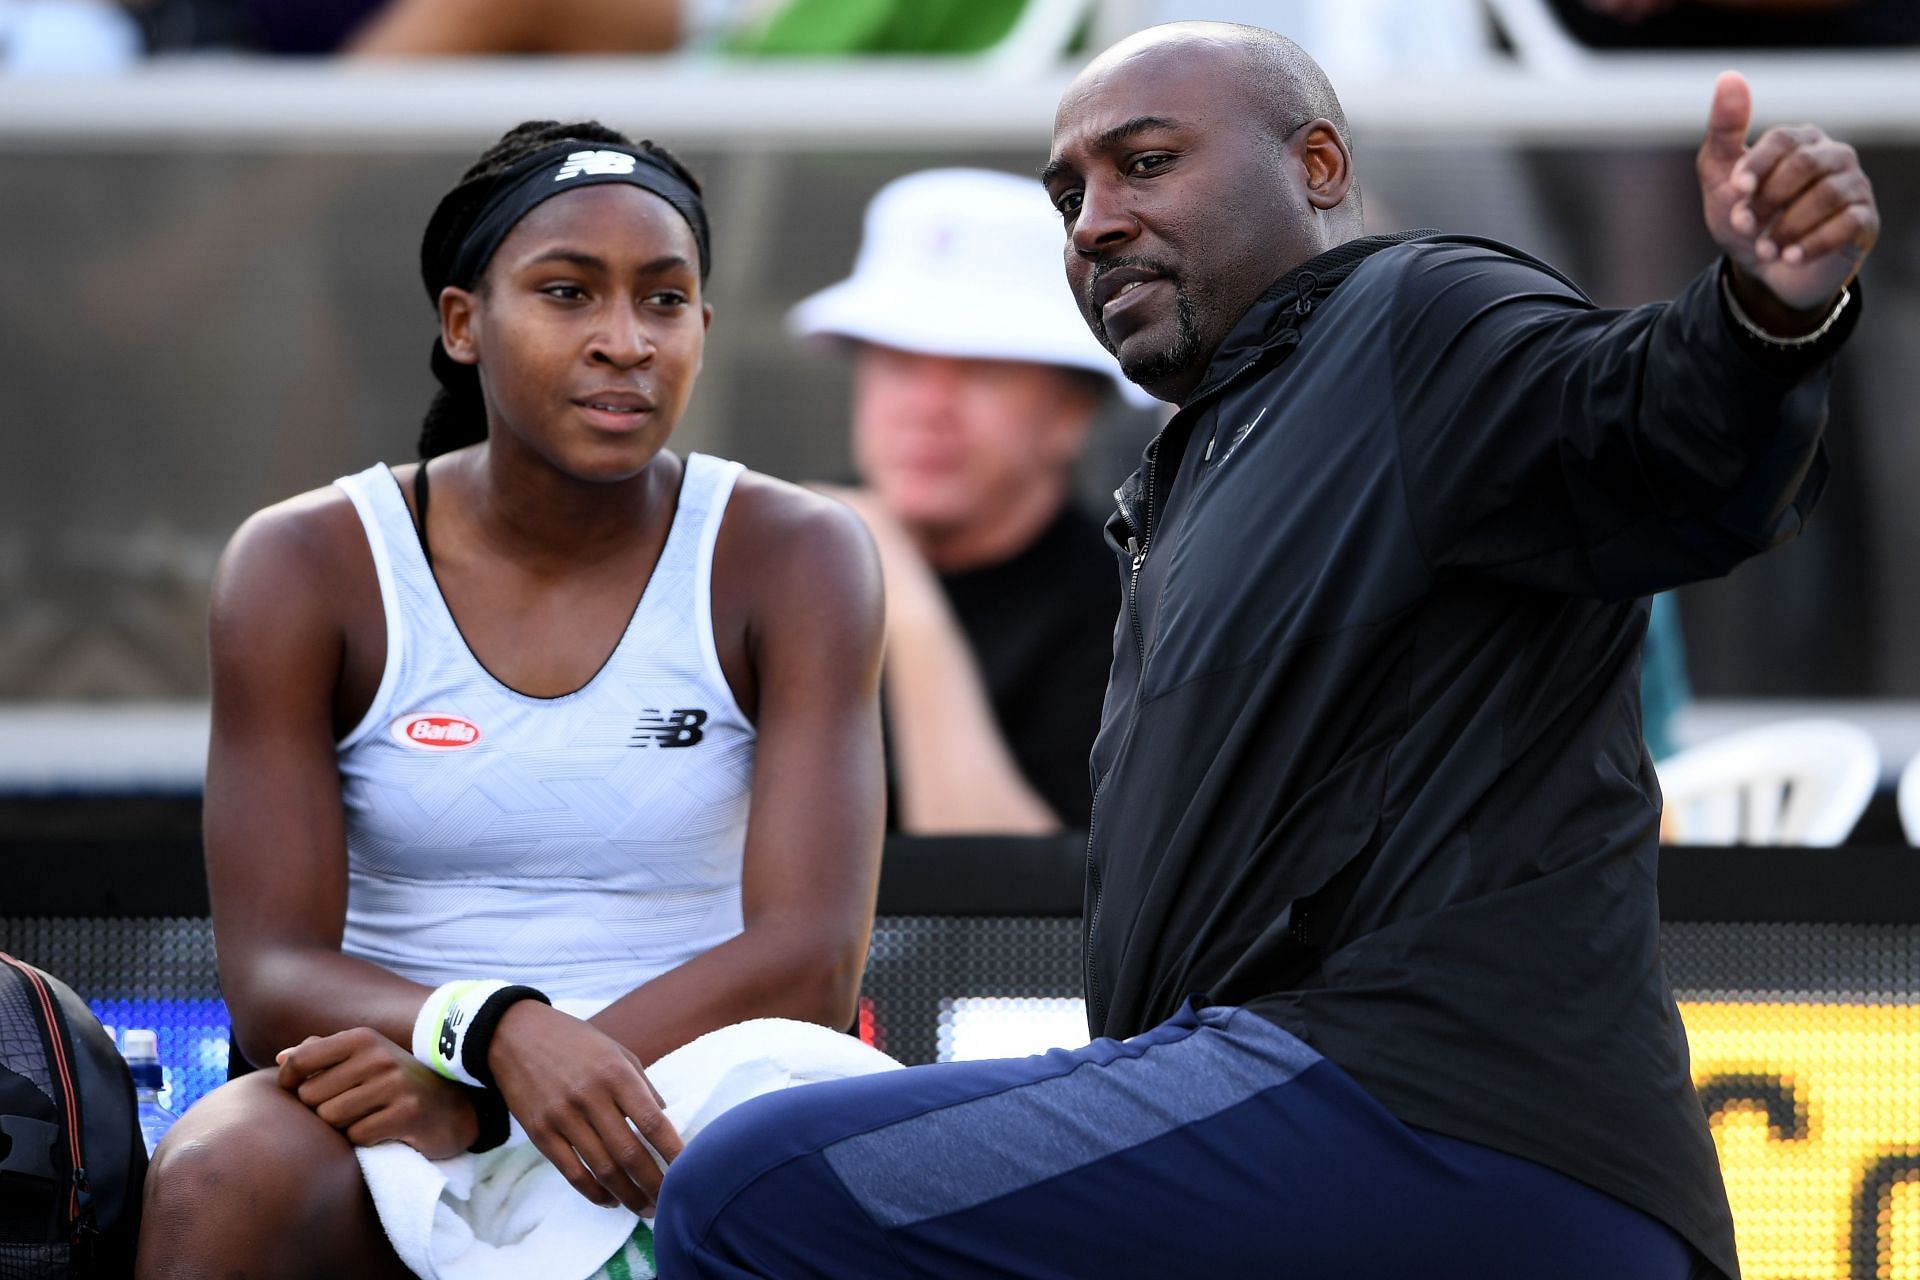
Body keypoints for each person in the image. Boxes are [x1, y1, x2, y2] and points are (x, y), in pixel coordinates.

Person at [652, 20, 1877, 1279]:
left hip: (1436, 1120)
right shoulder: (1196, 469)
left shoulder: (1417, 316)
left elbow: (1664, 429)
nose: (1092, 220)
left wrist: (1762, 316)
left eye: (1145, 163)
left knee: (752, 1182)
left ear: (1321, 167)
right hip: (1360, 1145)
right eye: (1069, 193)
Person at [136, 120, 885, 1279]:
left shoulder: (797, 552)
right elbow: (271, 968)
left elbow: (812, 957)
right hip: (394, 1078)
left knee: (826, 1155)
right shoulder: (304, 561)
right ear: (461, 322)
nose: (624, 341)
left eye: (665, 299)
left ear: (703, 327)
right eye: (569, 292)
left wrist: (489, 1100)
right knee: (222, 1172)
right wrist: (488, 1037)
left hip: (702, 1080)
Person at [789, 168, 1142, 832]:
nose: (927, 408)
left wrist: (905, 602)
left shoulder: (1134, 614)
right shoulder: (771, 560)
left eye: (981, 371)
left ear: (1069, 414)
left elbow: (1016, 914)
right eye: (897, 365)